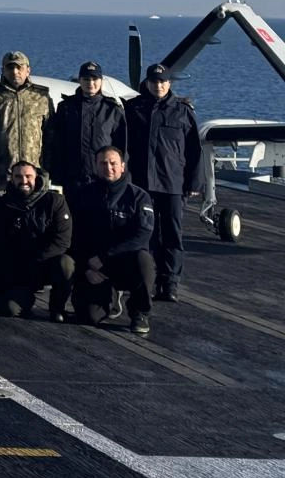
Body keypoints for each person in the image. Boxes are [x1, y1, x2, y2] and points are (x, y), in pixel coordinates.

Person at [125, 63, 202, 303]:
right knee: (144, 233)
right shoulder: (133, 109)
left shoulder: (183, 111)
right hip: (141, 185)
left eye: (162, 82)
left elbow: (194, 150)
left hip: (172, 183)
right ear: (147, 83)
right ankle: (147, 279)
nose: (158, 86)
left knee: (172, 235)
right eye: (154, 82)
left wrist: (194, 183)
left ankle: (170, 283)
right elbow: (123, 146)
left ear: (169, 83)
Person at [69, 146, 156, 336]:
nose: (108, 167)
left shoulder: (139, 197)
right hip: (94, 265)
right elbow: (75, 236)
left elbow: (142, 235)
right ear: (96, 166)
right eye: (103, 163)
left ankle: (139, 312)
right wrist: (85, 268)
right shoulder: (83, 195)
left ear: (122, 166)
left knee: (144, 260)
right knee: (89, 317)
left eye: (113, 163)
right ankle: (109, 297)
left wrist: (105, 256)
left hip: (123, 261)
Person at [0, 161, 73, 320]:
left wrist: (35, 260)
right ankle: (24, 300)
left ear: (36, 177)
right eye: (18, 177)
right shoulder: (3, 204)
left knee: (65, 263)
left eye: (28, 176)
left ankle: (57, 308)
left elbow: (62, 241)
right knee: (5, 309)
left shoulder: (55, 201)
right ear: (11, 178)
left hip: (45, 262)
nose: (24, 181)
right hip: (18, 268)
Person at [46, 61, 127, 192]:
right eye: (86, 79)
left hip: (103, 176)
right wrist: (57, 173)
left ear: (101, 81)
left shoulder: (113, 110)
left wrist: (122, 176)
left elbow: (122, 146)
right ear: (80, 80)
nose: (90, 83)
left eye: (95, 79)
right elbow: (57, 142)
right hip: (73, 177)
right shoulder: (66, 107)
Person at [0, 51, 52, 190]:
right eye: (10, 67)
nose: (15, 72)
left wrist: (47, 168)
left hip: (33, 174)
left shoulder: (41, 96)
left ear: (28, 70)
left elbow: (51, 134)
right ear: (3, 70)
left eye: (19, 67)